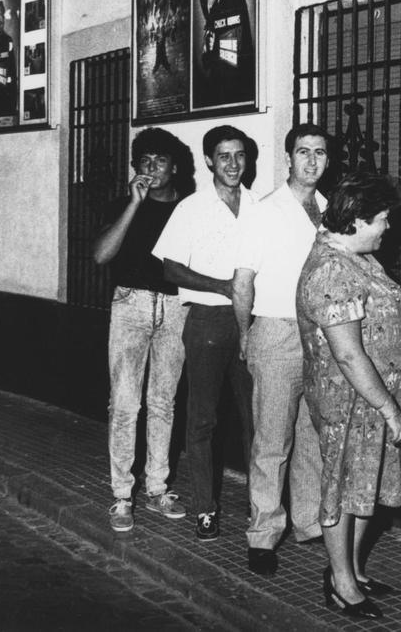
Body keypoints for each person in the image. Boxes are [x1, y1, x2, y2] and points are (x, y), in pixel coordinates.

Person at [296, 172, 401, 620]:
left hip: (370, 402)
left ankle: (352, 570)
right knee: (341, 491)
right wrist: (388, 408)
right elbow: (349, 355)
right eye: (381, 220)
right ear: (355, 221)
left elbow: (377, 309)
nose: (387, 228)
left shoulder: (357, 255)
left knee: (364, 488)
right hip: (352, 403)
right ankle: (340, 582)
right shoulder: (332, 269)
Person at [233, 124, 330, 576]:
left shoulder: (329, 210)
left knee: (313, 435)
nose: (311, 161)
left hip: (323, 335)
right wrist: (244, 334)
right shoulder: (265, 211)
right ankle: (263, 535)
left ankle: (308, 520)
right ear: (288, 158)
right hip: (275, 331)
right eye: (303, 152)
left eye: (320, 153)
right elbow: (243, 282)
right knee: (272, 441)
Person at [154, 125, 257, 541]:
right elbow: (170, 267)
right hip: (208, 322)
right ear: (210, 161)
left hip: (253, 321)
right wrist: (221, 286)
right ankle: (204, 509)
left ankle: (261, 509)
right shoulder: (191, 208)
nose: (232, 164)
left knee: (257, 420)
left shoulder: (258, 205)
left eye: (239, 155)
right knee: (202, 419)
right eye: (224, 156)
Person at [92, 128, 196, 532]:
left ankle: (157, 487)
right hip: (130, 304)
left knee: (163, 402)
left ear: (175, 167)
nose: (153, 169)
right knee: (123, 403)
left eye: (161, 161)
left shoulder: (188, 209)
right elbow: (102, 254)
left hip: (175, 307)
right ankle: (122, 496)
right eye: (145, 161)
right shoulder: (123, 205)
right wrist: (134, 205)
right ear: (137, 166)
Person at [196, 0, 253, 107]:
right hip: (216, 89)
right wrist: (207, 48)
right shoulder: (212, 7)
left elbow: (247, 46)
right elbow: (206, 61)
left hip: (237, 88)